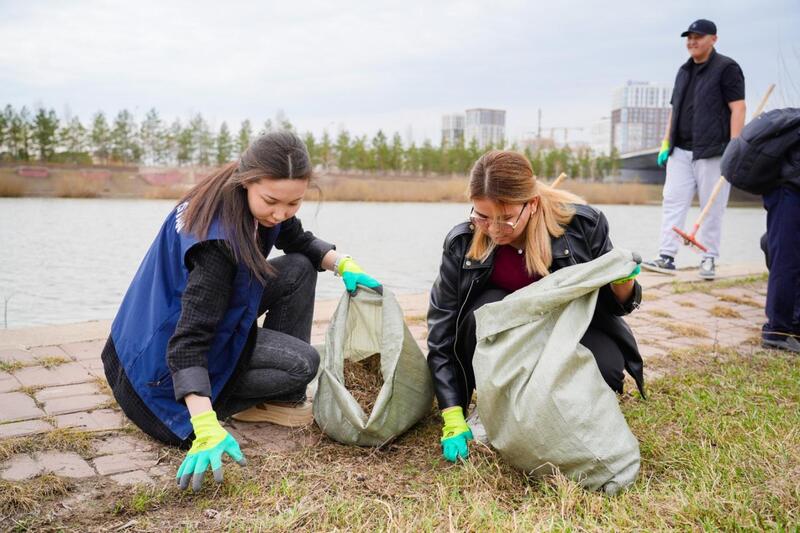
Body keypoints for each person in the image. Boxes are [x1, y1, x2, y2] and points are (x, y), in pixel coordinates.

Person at [101, 131, 380, 491]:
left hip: (134, 346)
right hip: (154, 381)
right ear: (249, 180)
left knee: (297, 267)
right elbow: (189, 341)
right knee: (302, 363)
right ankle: (234, 400)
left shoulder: (240, 193)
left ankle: (273, 401)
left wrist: (342, 264)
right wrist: (203, 425)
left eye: (294, 203)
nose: (280, 213)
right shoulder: (217, 244)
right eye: (272, 202)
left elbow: (294, 239)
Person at [426, 150, 644, 463]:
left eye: (506, 219)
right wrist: (451, 414)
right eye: (482, 216)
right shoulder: (463, 244)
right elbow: (442, 330)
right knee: (484, 308)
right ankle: (496, 404)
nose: (494, 229)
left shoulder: (583, 226)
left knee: (606, 372)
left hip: (568, 331)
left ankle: (556, 401)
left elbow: (614, 308)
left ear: (533, 204)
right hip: (505, 342)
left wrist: (624, 283)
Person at [643, 18, 746, 279]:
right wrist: (666, 143)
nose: (692, 41)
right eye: (689, 37)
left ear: (713, 38)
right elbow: (675, 110)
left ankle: (708, 258)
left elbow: (738, 107)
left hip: (713, 151)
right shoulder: (683, 71)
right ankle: (666, 256)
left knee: (712, 207)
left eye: (698, 36)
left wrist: (734, 147)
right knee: (672, 201)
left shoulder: (727, 68)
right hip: (680, 150)